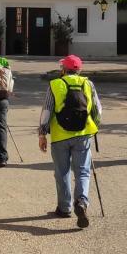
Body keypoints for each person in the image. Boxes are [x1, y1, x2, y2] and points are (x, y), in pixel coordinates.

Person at [39, 54, 101, 228]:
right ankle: (81, 202)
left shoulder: (55, 84)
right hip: (83, 135)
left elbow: (47, 110)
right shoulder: (88, 84)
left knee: (62, 172)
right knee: (82, 172)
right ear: (79, 70)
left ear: (63, 70)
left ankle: (64, 208)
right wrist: (94, 128)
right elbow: (97, 109)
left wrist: (42, 133)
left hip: (60, 136)